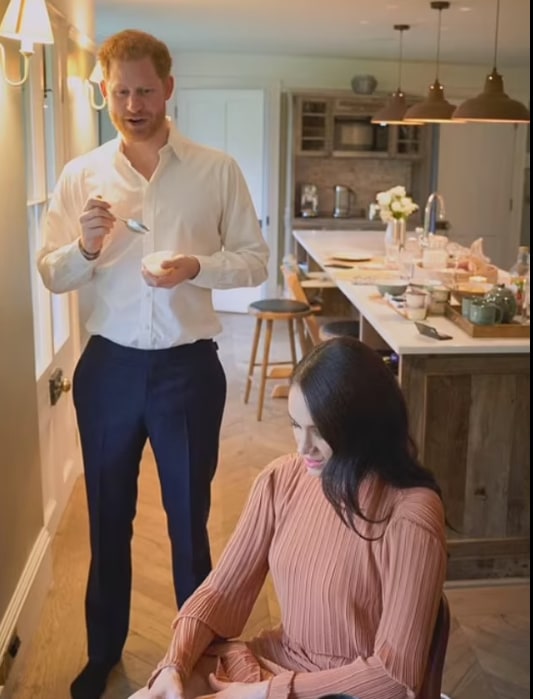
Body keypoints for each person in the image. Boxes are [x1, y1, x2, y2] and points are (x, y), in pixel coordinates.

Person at [37, 29, 269, 699]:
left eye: (144, 89)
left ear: (168, 88)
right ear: (105, 91)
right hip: (107, 369)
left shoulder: (215, 168)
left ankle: (191, 655)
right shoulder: (81, 174)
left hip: (188, 369)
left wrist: (197, 265)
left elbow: (254, 257)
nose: (133, 103)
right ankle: (102, 652)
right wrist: (83, 246)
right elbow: (51, 274)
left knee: (188, 518)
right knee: (107, 516)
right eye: (120, 92)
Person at [130, 337, 448, 699]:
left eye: (320, 431)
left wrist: (263, 694)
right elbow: (221, 591)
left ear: (364, 426)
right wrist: (175, 662)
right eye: (296, 425)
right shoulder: (281, 480)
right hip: (276, 664)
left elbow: (393, 678)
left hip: (349, 690)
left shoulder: (411, 515)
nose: (302, 447)